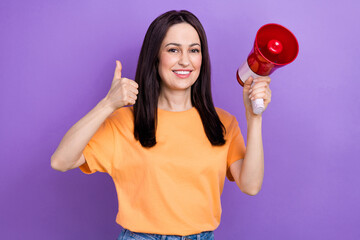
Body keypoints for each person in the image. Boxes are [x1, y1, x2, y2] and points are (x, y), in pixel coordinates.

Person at [51, 10, 271, 240]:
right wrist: (107, 105)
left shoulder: (222, 122)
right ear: (155, 56)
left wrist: (254, 118)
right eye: (173, 49)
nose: (185, 60)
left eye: (194, 50)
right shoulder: (125, 122)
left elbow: (251, 185)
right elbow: (60, 161)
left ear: (202, 58)